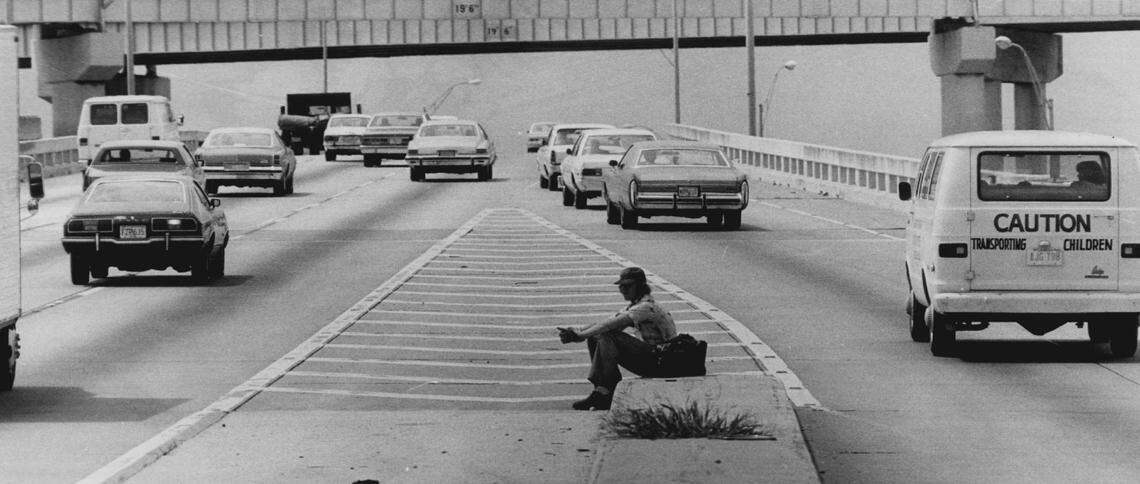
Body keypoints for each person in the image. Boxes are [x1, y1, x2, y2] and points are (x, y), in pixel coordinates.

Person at [557, 267, 678, 411]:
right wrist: (577, 332)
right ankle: (601, 391)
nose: (623, 290)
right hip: (654, 359)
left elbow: (609, 325)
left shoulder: (646, 307)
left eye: (628, 286)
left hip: (664, 361)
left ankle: (606, 390)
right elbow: (602, 324)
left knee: (609, 335)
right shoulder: (636, 306)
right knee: (596, 336)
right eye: (621, 286)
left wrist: (580, 335)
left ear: (640, 286)